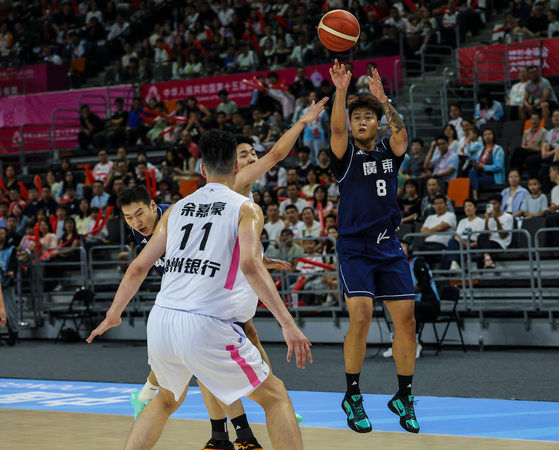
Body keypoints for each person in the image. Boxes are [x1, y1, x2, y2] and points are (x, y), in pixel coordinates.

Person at [88, 130, 312, 450]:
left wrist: (113, 314)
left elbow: (137, 267)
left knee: (165, 400)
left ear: (202, 170)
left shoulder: (176, 209)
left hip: (162, 321)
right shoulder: (246, 208)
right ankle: (234, 434)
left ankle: (222, 435)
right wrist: (288, 324)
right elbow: (250, 266)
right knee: (275, 397)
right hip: (207, 324)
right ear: (237, 167)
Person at [328, 60, 419, 433]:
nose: (362, 121)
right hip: (355, 248)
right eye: (357, 117)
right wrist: (340, 92)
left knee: (407, 324)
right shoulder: (346, 156)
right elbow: (335, 126)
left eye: (369, 116)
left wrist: (384, 99)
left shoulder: (388, 150)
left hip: (389, 246)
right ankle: (352, 394)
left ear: (377, 122)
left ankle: (403, 395)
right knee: (361, 317)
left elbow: (402, 138)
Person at [440, 198, 484, 271]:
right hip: (461, 242)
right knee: (452, 241)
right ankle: (454, 263)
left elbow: (481, 239)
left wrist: (468, 245)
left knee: (449, 250)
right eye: (466, 206)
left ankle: (446, 269)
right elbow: (456, 235)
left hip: (472, 243)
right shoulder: (462, 221)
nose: (468, 208)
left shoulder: (481, 221)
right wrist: (461, 242)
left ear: (475, 208)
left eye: (470, 206)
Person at [467, 128, 505, 200]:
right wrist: (476, 166)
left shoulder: (498, 149)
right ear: (482, 137)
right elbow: (478, 164)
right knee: (471, 172)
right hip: (481, 173)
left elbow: (499, 166)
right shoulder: (481, 149)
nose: (487, 136)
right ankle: (474, 197)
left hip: (492, 176)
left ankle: (474, 197)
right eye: (485, 135)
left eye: (489, 134)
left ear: (493, 136)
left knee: (473, 181)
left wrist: (484, 167)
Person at [479, 194, 515, 268]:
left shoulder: (508, 217)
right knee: (481, 237)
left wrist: (497, 220)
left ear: (501, 204)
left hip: (501, 244)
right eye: (490, 205)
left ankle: (480, 273)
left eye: (495, 204)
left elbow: (502, 236)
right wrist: (486, 221)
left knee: (480, 248)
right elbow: (487, 235)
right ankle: (487, 259)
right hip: (489, 243)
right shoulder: (488, 218)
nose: (493, 206)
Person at [0, 226, 18, 346]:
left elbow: (13, 263)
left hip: (6, 283)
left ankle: (13, 333)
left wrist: (11, 272)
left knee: (9, 309)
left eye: (2, 233)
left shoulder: (11, 249)